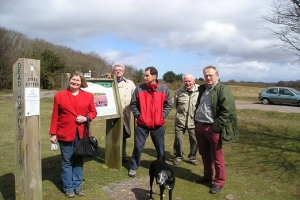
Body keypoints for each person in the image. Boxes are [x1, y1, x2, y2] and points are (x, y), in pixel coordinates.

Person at [49, 71, 97, 198]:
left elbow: (93, 112)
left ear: (81, 83)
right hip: (65, 133)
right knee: (66, 161)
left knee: (79, 159)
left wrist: (86, 118)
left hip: (82, 134)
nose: (75, 82)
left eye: (78, 80)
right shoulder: (59, 96)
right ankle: (68, 187)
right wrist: (53, 133)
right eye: (73, 80)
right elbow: (55, 116)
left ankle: (77, 185)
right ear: (69, 80)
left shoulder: (88, 96)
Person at [193, 66, 238, 194]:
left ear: (217, 75)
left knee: (217, 157)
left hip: (213, 128)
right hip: (200, 126)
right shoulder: (203, 89)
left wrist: (216, 127)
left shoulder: (223, 90)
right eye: (206, 75)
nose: (208, 77)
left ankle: (219, 181)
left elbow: (227, 111)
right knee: (204, 154)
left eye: (210, 75)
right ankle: (208, 176)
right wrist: (196, 122)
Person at [128, 66, 172, 177]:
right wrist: (139, 116)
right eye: (144, 75)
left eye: (147, 75)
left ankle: (161, 169)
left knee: (160, 150)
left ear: (154, 76)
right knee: (138, 147)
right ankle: (134, 166)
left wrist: (162, 116)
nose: (144, 77)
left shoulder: (163, 88)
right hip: (142, 125)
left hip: (158, 125)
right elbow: (133, 104)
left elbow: (168, 105)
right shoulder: (139, 89)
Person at [173, 74, 199, 166]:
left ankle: (192, 157)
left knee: (195, 140)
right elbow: (176, 106)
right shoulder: (178, 91)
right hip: (180, 120)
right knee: (178, 140)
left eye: (189, 81)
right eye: (186, 81)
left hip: (194, 121)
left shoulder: (200, 91)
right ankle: (178, 156)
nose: (187, 83)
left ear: (194, 81)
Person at [112, 63, 136, 163]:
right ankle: (113, 153)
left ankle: (123, 154)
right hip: (112, 113)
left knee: (124, 133)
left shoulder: (130, 83)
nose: (118, 71)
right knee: (112, 133)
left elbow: (135, 98)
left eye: (120, 70)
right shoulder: (109, 82)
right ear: (113, 71)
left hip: (125, 112)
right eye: (116, 70)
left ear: (123, 71)